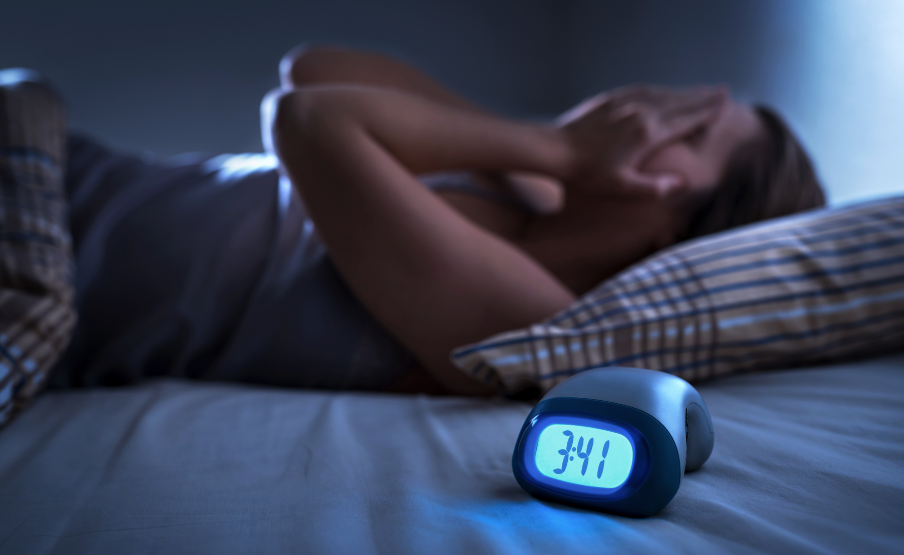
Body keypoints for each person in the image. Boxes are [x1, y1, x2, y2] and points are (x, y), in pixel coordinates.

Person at [0, 44, 824, 425]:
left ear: (680, 207)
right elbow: (315, 67)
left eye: (690, 125)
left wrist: (564, 148)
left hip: (46, 273)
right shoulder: (529, 182)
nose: (651, 101)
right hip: (51, 168)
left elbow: (307, 118)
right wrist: (554, 148)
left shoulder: (534, 317)